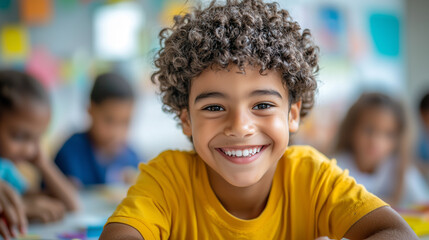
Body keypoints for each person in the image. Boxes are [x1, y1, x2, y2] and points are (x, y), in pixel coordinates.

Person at [100, 0, 418, 239]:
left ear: (292, 115)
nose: (240, 126)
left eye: (262, 104)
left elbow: (396, 232)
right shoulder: (168, 179)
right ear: (186, 121)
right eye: (213, 107)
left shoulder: (310, 176)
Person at [0, 70, 79, 224]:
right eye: (20, 136)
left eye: (37, 138)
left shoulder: (6, 169)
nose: (29, 149)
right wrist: (23, 208)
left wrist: (43, 163)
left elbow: (73, 206)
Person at [335, 93, 429, 206]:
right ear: (351, 129)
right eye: (368, 130)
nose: (375, 141)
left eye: (388, 134)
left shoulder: (402, 170)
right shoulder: (336, 167)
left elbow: (424, 206)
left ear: (398, 139)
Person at [54, 72, 140, 187]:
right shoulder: (70, 152)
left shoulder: (131, 157)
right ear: (90, 110)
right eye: (109, 120)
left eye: (125, 122)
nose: (116, 132)